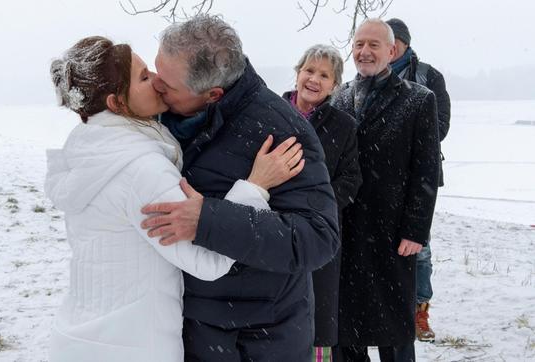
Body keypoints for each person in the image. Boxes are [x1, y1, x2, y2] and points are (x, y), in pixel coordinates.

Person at [44, 36, 305, 362]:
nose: (156, 80)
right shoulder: (141, 171)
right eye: (142, 77)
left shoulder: (88, 150)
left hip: (83, 337)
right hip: (134, 347)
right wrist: (255, 186)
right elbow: (207, 262)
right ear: (116, 103)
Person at [141, 15, 341, 361]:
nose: (156, 85)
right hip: (183, 325)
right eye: (156, 71)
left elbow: (318, 238)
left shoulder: (281, 131)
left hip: (258, 336)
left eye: (167, 85)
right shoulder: (156, 116)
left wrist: (209, 220)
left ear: (212, 94)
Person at [331, 19, 440, 361]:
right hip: (346, 231)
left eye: (373, 45)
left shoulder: (419, 99)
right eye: (359, 44)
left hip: (393, 234)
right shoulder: (340, 95)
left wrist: (415, 230)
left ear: (392, 51)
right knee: (346, 331)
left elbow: (426, 170)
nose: (364, 51)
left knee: (394, 331)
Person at [283, 44, 362, 361]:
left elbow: (351, 179)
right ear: (298, 72)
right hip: (273, 225)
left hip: (319, 230)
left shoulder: (344, 126)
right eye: (309, 70)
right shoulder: (269, 111)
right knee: (272, 308)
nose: (314, 79)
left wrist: (317, 203)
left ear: (334, 85)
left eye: (324, 75)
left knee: (317, 311)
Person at [386, 17, 452, 343]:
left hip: (419, 177)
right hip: (378, 177)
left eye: (393, 40)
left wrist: (398, 141)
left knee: (419, 246)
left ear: (404, 43)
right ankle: (387, 309)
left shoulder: (428, 76)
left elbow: (440, 126)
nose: (388, 46)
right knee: (380, 243)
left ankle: (419, 312)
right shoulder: (368, 76)